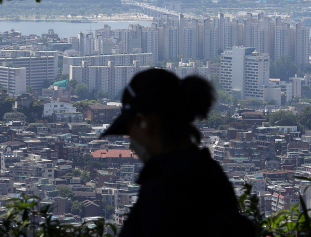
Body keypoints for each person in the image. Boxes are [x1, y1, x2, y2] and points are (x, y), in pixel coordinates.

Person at [101, 68, 254, 237]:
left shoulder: (162, 189)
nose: (131, 144)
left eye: (130, 131)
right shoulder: (211, 174)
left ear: (143, 123)